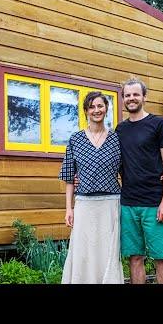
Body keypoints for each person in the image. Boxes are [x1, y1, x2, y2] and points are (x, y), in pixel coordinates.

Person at [59, 91, 124, 284]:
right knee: (82, 251)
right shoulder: (75, 139)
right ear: (86, 111)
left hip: (111, 203)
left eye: (100, 106)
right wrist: (69, 208)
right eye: (92, 107)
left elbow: (130, 169)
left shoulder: (116, 139)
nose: (96, 110)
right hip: (84, 204)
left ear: (106, 109)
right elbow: (69, 176)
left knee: (107, 252)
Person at [117, 77, 163, 284]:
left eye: (135, 94)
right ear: (123, 98)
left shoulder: (160, 125)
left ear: (144, 97)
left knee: (161, 257)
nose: (131, 98)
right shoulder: (120, 130)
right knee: (135, 257)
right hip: (129, 204)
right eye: (127, 95)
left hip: (154, 203)